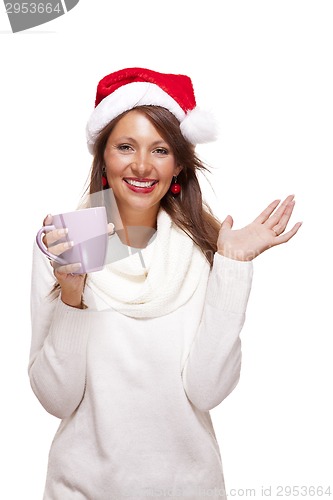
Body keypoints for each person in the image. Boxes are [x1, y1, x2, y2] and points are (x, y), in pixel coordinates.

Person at [29, 67, 302, 500]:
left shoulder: (204, 249)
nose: (141, 165)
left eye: (159, 149)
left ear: (178, 163)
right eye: (125, 147)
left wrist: (231, 264)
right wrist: (71, 294)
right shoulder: (68, 240)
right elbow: (55, 399)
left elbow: (207, 390)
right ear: (103, 158)